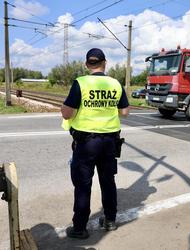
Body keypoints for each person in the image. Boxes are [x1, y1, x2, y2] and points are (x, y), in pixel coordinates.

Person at [61, 48, 129, 239]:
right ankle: (109, 220)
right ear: (104, 63)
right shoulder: (115, 84)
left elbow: (67, 113)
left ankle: (80, 228)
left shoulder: (80, 83)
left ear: (86, 64)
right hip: (109, 142)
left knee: (83, 184)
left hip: (86, 143)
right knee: (108, 182)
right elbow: (124, 112)